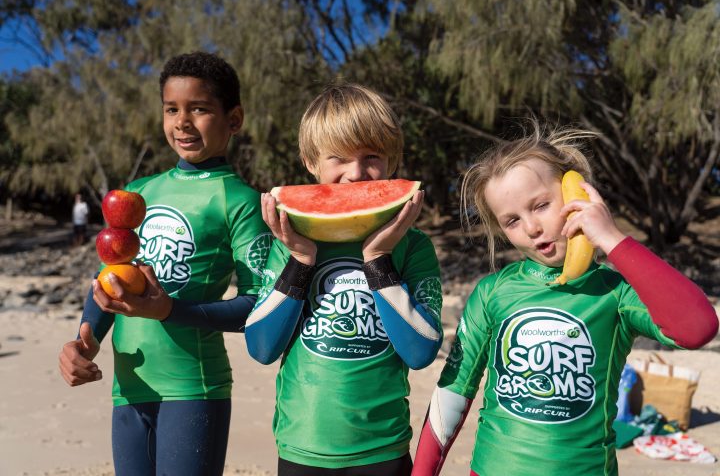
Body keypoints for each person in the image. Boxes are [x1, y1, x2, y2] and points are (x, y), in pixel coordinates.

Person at [411, 124, 719, 476]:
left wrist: (611, 238)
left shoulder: (614, 291)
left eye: (541, 205)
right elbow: (454, 392)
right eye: (511, 220)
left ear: (576, 192)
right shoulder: (493, 291)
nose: (531, 227)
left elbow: (697, 328)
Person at [58, 51, 272, 476]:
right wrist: (85, 341)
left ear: (234, 119)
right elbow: (111, 281)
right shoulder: (138, 192)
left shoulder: (242, 202)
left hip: (195, 387)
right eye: (172, 109)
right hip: (130, 384)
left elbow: (258, 306)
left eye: (199, 109)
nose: (182, 122)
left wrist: (170, 310)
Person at [244, 83, 444, 475]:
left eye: (371, 156)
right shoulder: (290, 242)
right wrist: (301, 260)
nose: (356, 174)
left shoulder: (413, 246)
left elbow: (420, 353)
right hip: (302, 448)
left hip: (383, 449)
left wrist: (378, 260)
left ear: (393, 160)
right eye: (338, 158)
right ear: (309, 162)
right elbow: (261, 347)